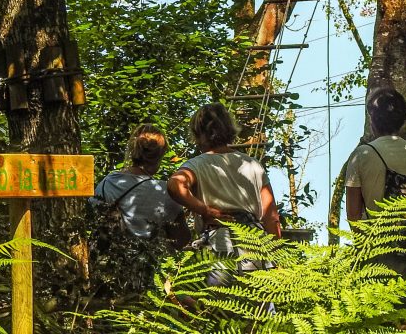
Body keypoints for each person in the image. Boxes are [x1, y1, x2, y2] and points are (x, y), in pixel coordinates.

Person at [167, 103, 281, 283]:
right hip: (255, 246)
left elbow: (175, 185)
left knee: (218, 307)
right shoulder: (252, 165)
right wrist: (277, 257)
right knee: (259, 309)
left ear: (198, 133)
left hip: (219, 246)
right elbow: (271, 217)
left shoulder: (197, 165)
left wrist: (205, 211)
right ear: (228, 128)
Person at [345, 87, 406, 307]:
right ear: (403, 119)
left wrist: (363, 249)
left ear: (372, 119)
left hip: (376, 249)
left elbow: (353, 214)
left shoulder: (363, 155)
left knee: (378, 319)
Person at [92, 124, 191, 248]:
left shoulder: (109, 181)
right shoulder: (165, 191)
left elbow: (92, 217)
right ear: (160, 155)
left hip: (107, 260)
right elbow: (180, 239)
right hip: (145, 262)